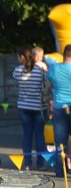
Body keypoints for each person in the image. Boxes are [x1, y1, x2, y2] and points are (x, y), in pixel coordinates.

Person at [13, 47, 48, 170]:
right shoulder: (40, 70)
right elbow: (46, 85)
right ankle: (41, 163)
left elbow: (17, 82)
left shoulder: (17, 71)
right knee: (39, 135)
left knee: (27, 135)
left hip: (23, 106)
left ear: (22, 57)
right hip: (39, 107)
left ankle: (27, 163)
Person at [45, 44, 71, 177]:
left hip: (59, 107)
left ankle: (60, 172)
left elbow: (49, 85)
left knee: (60, 142)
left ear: (64, 54)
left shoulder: (54, 68)